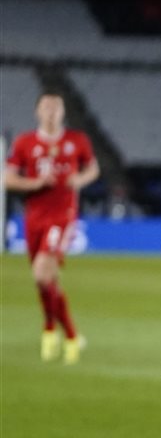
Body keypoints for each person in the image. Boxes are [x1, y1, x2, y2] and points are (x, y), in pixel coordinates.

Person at [3, 93, 99, 364]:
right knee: (45, 280)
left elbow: (93, 169)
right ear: (37, 112)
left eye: (56, 107)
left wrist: (79, 180)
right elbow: (7, 179)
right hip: (34, 217)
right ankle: (64, 333)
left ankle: (58, 333)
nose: (51, 112)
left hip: (62, 215)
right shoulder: (24, 142)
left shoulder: (77, 141)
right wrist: (34, 183)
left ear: (63, 112)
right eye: (46, 107)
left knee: (42, 273)